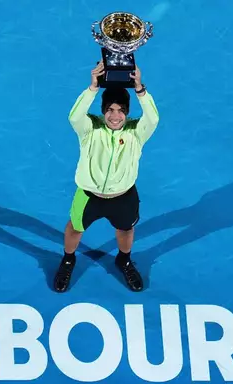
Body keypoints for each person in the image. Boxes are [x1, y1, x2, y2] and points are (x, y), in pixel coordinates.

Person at [53, 61, 160, 293]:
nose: (115, 116)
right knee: (75, 229)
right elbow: (74, 116)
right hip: (89, 196)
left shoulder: (136, 133)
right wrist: (92, 87)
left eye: (121, 110)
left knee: (126, 230)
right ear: (102, 111)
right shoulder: (89, 129)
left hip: (124, 196)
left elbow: (152, 119)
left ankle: (124, 259)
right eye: (110, 109)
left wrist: (140, 89)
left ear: (127, 112)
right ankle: (68, 260)